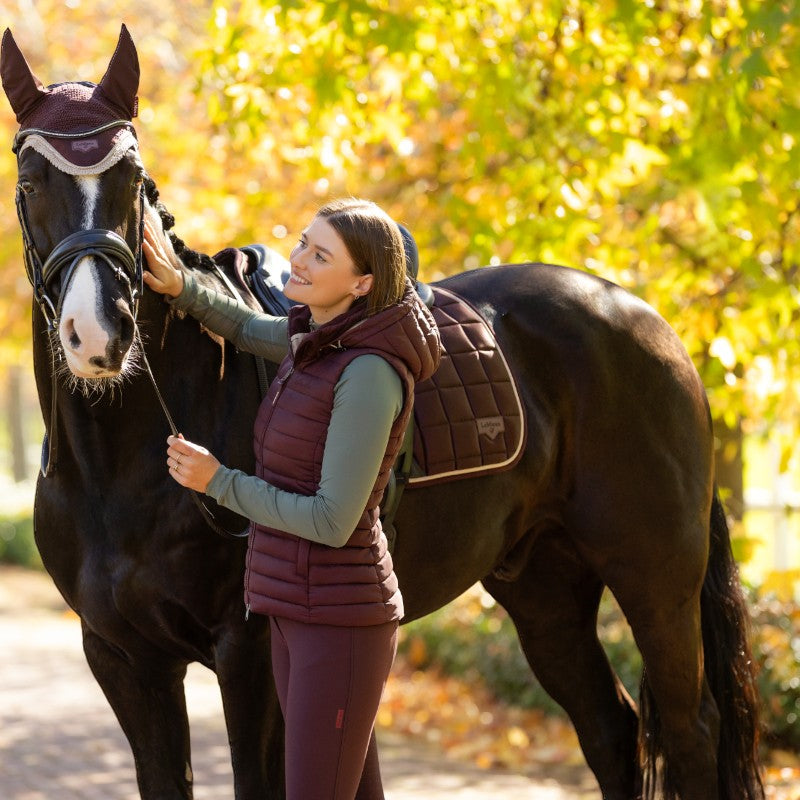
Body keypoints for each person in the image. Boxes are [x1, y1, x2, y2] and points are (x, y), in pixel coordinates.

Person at [142, 197, 441, 800]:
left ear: (362, 283)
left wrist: (218, 481)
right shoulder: (317, 338)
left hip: (339, 624)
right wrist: (182, 287)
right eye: (304, 242)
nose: (297, 261)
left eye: (319, 254)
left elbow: (332, 521)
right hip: (292, 608)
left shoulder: (367, 373)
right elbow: (249, 329)